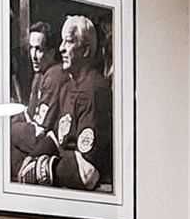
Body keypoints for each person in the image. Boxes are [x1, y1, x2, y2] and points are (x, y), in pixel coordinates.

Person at [19, 14, 112, 191]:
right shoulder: (68, 86)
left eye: (68, 42)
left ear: (85, 50)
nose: (61, 48)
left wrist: (45, 169)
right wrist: (32, 157)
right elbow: (57, 136)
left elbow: (89, 173)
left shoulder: (94, 90)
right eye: (62, 42)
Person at [8, 20, 66, 179]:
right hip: (35, 139)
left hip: (49, 146)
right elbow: (30, 115)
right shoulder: (40, 74)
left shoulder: (54, 76)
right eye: (31, 48)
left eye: (39, 49)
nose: (33, 55)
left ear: (51, 52)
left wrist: (11, 127)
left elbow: (39, 132)